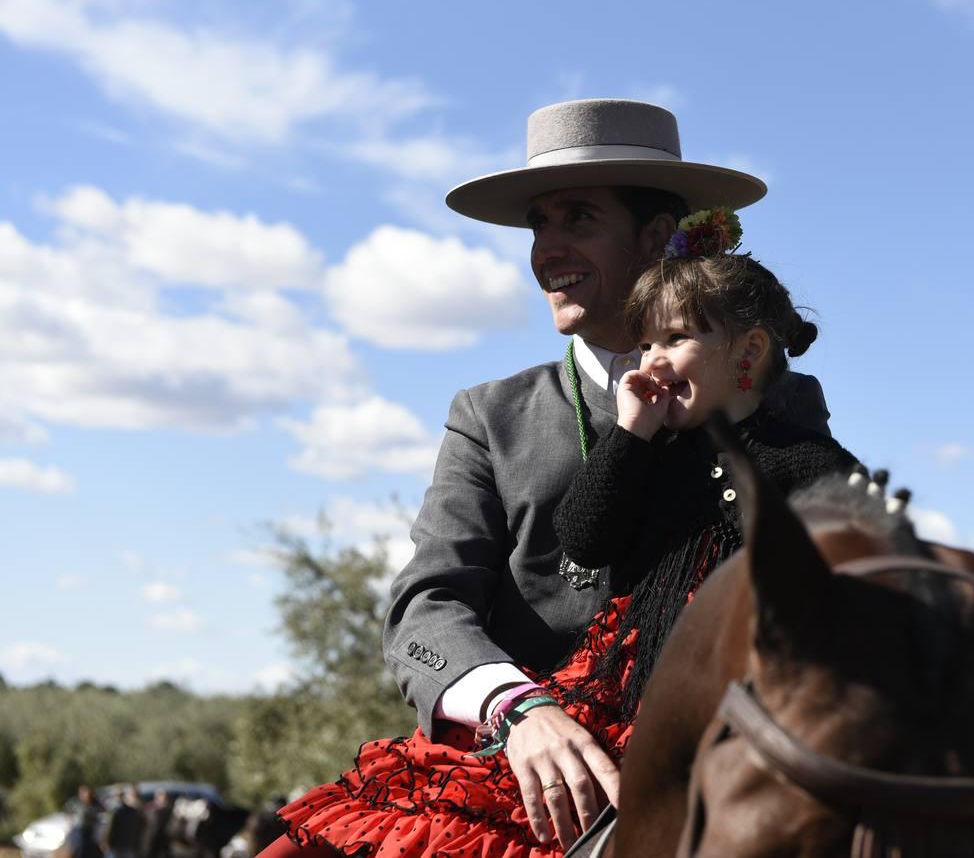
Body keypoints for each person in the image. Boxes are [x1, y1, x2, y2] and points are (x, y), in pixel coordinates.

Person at [265, 99, 833, 858]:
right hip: (515, 768)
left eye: (578, 220)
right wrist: (519, 714)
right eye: (540, 225)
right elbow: (425, 613)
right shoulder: (490, 415)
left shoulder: (773, 398)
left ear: (659, 238)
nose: (547, 250)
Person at [103, 787, 146, 858]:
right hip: (123, 845)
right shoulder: (117, 810)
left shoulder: (132, 812)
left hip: (123, 845)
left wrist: (106, 841)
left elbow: (109, 828)